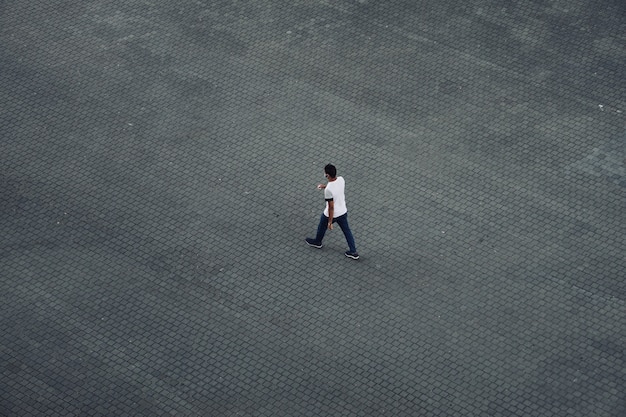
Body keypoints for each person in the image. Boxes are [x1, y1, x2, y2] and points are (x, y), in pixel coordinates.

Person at [306, 164, 359, 259]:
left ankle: (318, 242)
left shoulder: (328, 190)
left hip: (331, 214)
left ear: (327, 175)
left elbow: (331, 207)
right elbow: (335, 188)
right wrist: (324, 186)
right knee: (347, 231)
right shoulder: (341, 179)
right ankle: (353, 251)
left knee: (322, 226)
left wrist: (330, 222)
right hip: (343, 211)